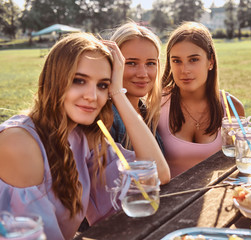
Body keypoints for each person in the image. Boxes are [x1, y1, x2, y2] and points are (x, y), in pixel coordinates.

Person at [0, 33, 170, 240]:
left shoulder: (82, 137)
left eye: (102, 85)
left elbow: (156, 176)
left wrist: (118, 93)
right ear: (54, 80)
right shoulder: (19, 143)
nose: (92, 96)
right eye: (79, 80)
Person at [158, 22, 245, 178]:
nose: (184, 70)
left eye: (193, 60)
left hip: (214, 198)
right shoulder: (157, 104)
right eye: (177, 61)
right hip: (168, 201)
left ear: (210, 62)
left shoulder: (232, 107)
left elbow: (241, 164)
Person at [109, 22, 164, 152]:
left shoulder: (147, 112)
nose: (143, 74)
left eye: (150, 63)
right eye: (131, 63)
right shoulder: (108, 118)